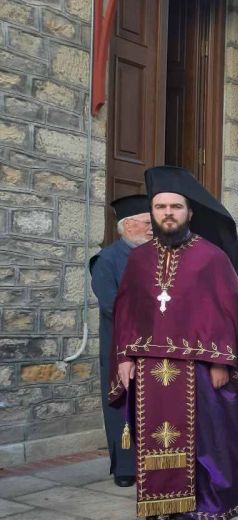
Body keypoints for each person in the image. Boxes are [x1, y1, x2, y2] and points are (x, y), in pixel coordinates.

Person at [110, 166, 238, 520]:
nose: (168, 213)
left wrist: (223, 362)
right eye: (160, 207)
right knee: (156, 438)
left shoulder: (211, 258)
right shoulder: (138, 261)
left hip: (201, 367)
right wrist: (124, 357)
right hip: (150, 369)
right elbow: (126, 312)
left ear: (189, 212)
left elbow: (227, 313)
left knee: (208, 438)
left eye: (175, 207)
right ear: (152, 213)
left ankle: (199, 501)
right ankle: (161, 502)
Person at [90, 195, 151, 487]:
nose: (153, 228)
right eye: (148, 222)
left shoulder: (156, 255)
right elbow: (110, 305)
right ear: (128, 226)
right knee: (122, 404)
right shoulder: (106, 260)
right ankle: (126, 467)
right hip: (121, 346)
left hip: (154, 347)